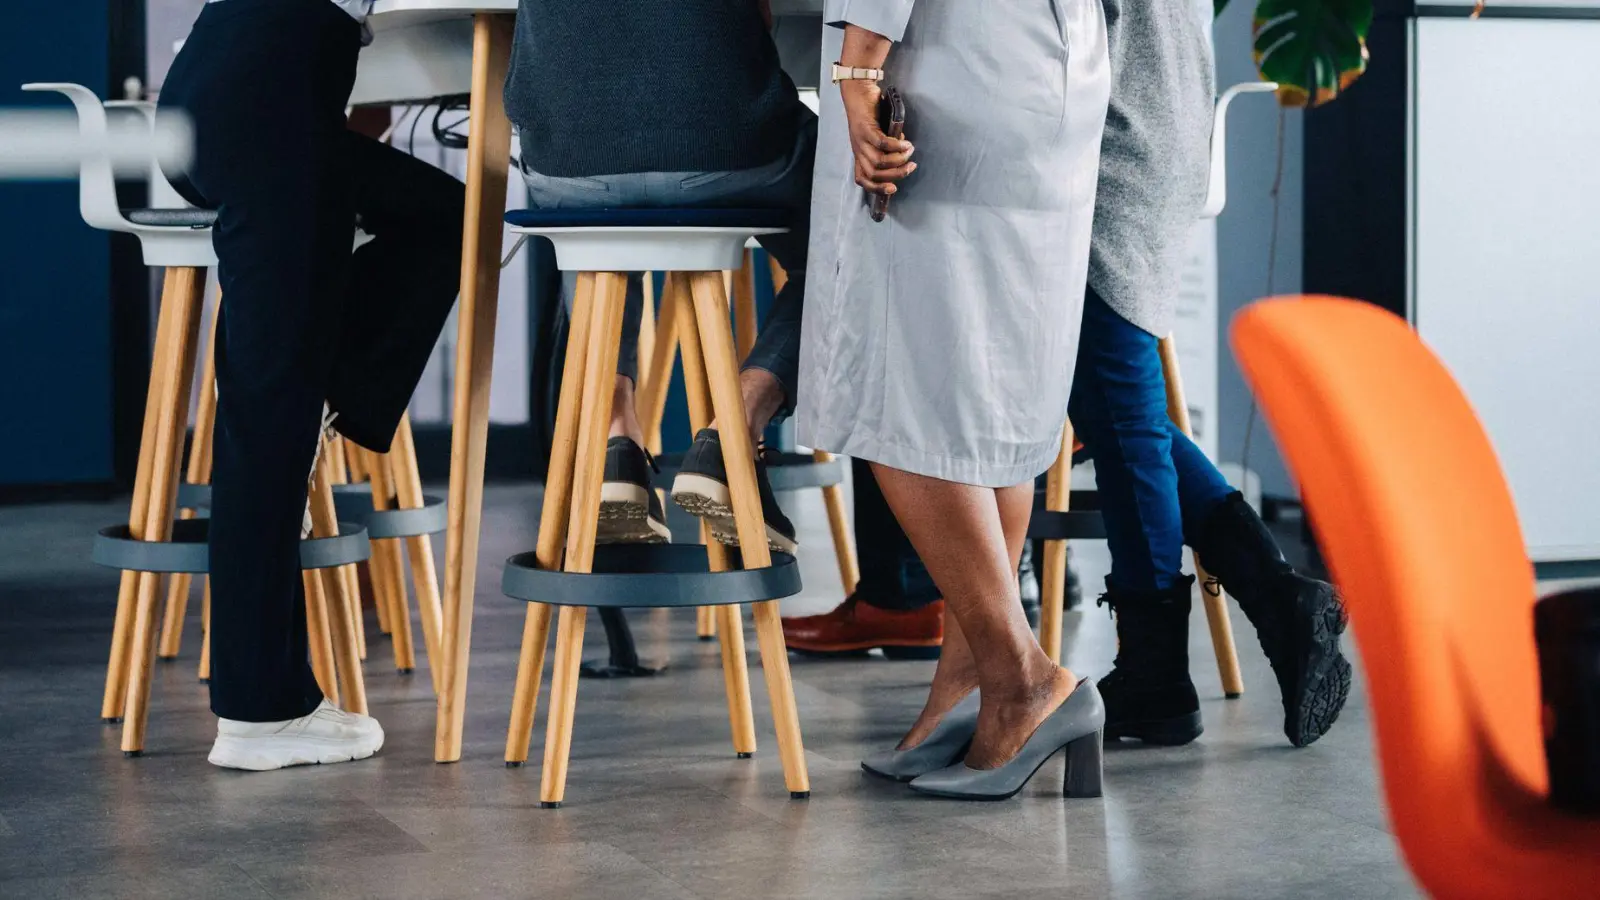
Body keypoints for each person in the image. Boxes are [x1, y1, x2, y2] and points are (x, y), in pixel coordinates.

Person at [799, 0, 1112, 800]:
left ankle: (1023, 681)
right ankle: (967, 694)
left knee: (902, 399)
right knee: (992, 389)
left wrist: (861, 63)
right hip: (1054, 68)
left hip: (947, 72)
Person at [158, 0, 465, 769]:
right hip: (263, 111)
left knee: (446, 217)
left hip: (221, 95)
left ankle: (326, 397)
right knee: (267, 414)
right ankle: (260, 713)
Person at [1071, 0, 1350, 750]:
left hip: (1112, 162)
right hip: (1164, 144)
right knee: (1118, 411)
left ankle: (1159, 673)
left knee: (1121, 420)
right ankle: (1272, 594)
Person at [505, 0, 815, 554]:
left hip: (566, 165)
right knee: (867, 239)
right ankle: (737, 425)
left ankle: (614, 438)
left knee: (594, 233)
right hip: (728, 150)